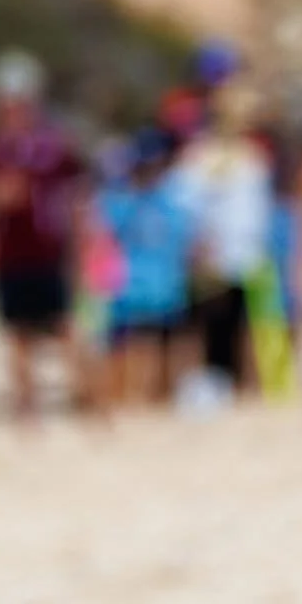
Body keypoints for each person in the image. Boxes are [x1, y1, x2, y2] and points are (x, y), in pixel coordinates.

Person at [0, 49, 86, 419]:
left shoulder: (56, 144)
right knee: (16, 333)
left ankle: (88, 401)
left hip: (48, 252)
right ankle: (27, 409)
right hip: (10, 255)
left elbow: (77, 201)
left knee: (64, 327)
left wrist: (80, 252)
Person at [175, 80, 272, 395]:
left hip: (248, 251)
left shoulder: (254, 156)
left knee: (247, 323)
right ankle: (204, 383)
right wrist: (198, 242)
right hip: (212, 253)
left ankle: (248, 386)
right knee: (207, 324)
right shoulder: (202, 155)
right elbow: (187, 202)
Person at [97, 127, 198, 406]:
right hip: (131, 286)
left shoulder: (171, 199)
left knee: (163, 342)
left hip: (163, 285)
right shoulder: (120, 200)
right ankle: (128, 398)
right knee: (128, 344)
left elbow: (186, 241)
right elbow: (105, 239)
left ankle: (157, 397)